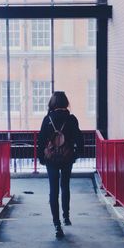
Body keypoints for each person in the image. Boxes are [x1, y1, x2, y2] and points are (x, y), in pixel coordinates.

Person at [38, 91, 84, 238]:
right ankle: (66, 216)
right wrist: (76, 155)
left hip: (51, 159)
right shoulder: (71, 119)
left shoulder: (47, 119)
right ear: (65, 102)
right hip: (66, 158)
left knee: (53, 190)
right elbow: (79, 140)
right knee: (65, 186)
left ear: (53, 103)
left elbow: (40, 141)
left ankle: (57, 224)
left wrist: (42, 158)